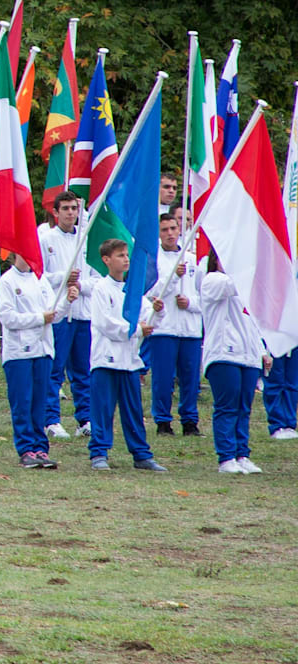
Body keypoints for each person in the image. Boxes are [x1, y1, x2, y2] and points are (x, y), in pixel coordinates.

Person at [85, 240, 166, 471]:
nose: (126, 259)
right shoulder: (100, 288)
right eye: (120, 255)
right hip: (105, 360)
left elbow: (148, 319)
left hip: (129, 361)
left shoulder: (133, 291)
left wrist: (158, 312)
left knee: (133, 410)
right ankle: (99, 452)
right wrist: (136, 330)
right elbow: (105, 324)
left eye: (126, 255)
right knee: (102, 408)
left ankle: (141, 454)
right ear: (107, 260)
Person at [200, 255, 270, 474]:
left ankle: (242, 454)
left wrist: (262, 351)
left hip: (248, 356)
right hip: (223, 354)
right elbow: (231, 285)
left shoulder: (248, 291)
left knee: (244, 408)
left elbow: (254, 323)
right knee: (227, 406)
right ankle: (226, 457)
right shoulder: (212, 280)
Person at [0, 249, 58, 469]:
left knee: (40, 401)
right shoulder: (7, 281)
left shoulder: (41, 279)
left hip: (43, 350)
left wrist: (66, 301)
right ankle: (25, 448)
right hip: (18, 353)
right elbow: (8, 317)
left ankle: (41, 447)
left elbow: (55, 311)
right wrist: (39, 318)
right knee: (23, 401)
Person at [38, 194, 92, 439]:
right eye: (66, 209)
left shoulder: (86, 239)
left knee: (82, 370)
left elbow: (97, 278)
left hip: (82, 311)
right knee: (55, 368)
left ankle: (85, 418)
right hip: (59, 313)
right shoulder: (46, 239)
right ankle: (51, 418)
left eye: (74, 208)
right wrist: (63, 277)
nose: (71, 213)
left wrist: (80, 285)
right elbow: (40, 276)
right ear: (56, 212)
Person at [145, 210, 203, 436]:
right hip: (165, 327)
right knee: (163, 378)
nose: (170, 234)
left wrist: (190, 303)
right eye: (164, 230)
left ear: (179, 230)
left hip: (189, 327)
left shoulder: (190, 258)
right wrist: (173, 278)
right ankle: (162, 421)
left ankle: (190, 420)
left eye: (173, 229)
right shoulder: (154, 259)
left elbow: (203, 294)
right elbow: (150, 292)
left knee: (190, 378)